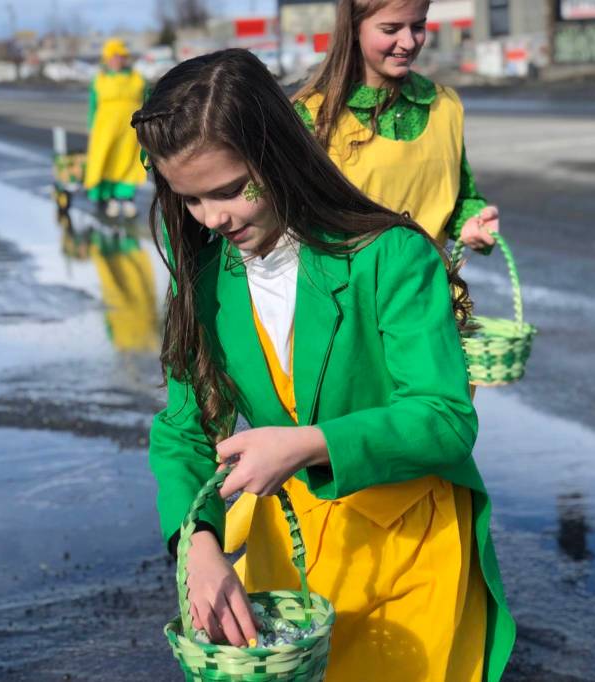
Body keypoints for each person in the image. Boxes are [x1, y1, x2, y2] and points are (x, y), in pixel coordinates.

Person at [134, 49, 514, 682]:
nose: (213, 218)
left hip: (406, 556)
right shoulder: (202, 284)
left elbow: (446, 419)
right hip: (289, 560)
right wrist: (197, 542)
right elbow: (182, 429)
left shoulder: (390, 257)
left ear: (278, 155)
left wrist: (307, 444)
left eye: (229, 190)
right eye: (191, 200)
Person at [293, 0, 498, 254]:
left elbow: (459, 199)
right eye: (390, 30)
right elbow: (292, 221)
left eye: (418, 26)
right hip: (351, 292)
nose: (409, 42)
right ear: (354, 27)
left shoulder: (445, 105)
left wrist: (471, 222)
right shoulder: (311, 115)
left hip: (432, 289)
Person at [84, 38, 147, 219]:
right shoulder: (99, 80)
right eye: (113, 57)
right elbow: (92, 106)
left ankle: (127, 198)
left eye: (120, 56)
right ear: (107, 59)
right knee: (107, 160)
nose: (117, 60)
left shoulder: (137, 79)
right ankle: (109, 197)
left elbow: (147, 101)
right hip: (105, 130)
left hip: (130, 131)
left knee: (129, 161)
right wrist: (91, 127)